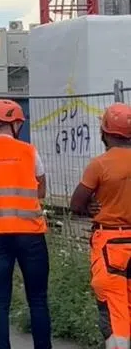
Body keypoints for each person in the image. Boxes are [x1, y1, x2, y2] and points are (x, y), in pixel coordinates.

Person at [0, 98, 51, 349]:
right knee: (37, 300)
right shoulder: (29, 151)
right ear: (16, 123)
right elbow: (41, 190)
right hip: (31, 235)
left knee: (0, 300)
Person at [69, 102, 131, 349]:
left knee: (115, 314)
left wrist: (90, 206)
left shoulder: (100, 164)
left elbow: (76, 204)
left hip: (110, 246)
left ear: (104, 132)